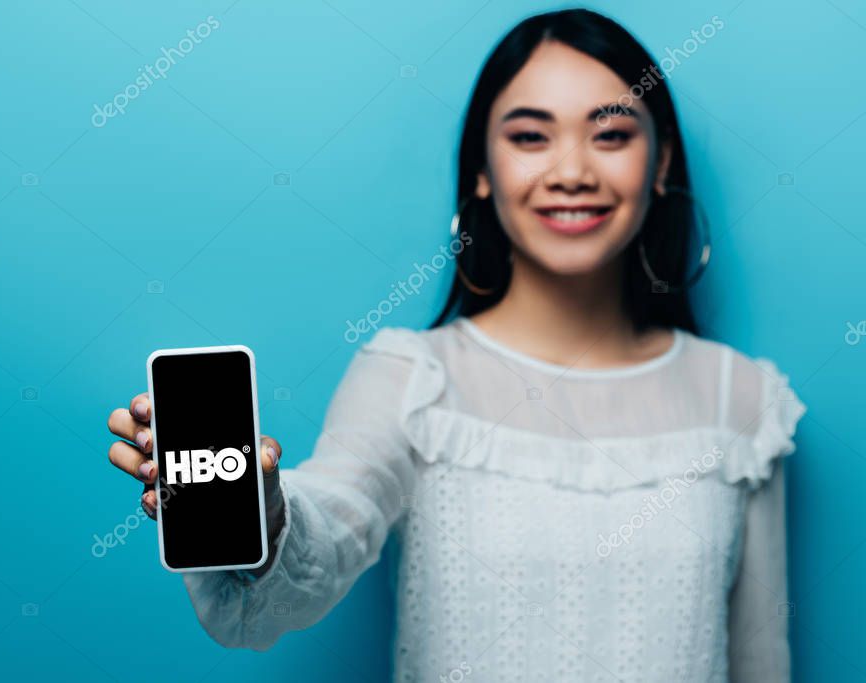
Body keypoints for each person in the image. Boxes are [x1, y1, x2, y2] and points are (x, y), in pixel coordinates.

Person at [106, 8, 806, 681]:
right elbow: (308, 562)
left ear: (660, 164)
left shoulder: (742, 397)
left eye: (612, 134)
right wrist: (261, 509)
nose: (571, 171)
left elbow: (760, 659)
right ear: (481, 170)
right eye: (530, 136)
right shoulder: (410, 375)